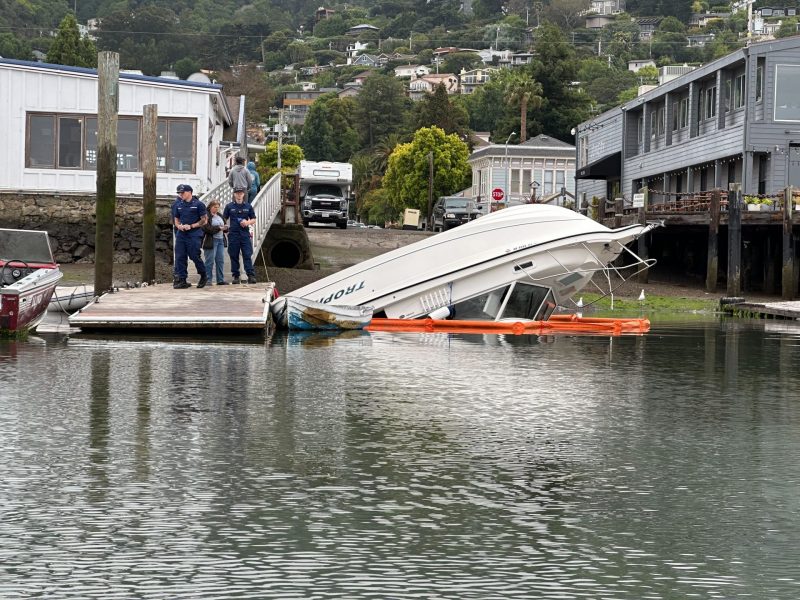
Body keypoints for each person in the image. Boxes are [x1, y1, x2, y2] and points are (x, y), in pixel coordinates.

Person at [172, 184, 208, 289]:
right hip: (182, 234)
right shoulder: (178, 204)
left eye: (182, 192)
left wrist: (191, 226)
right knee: (180, 256)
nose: (180, 194)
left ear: (190, 192)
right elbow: (176, 219)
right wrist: (179, 226)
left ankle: (203, 275)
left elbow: (204, 220)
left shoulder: (199, 204)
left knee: (194, 255)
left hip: (194, 234)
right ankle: (182, 280)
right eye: (179, 193)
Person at [223, 187, 257, 284]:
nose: (239, 195)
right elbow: (224, 218)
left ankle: (250, 275)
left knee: (247, 254)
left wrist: (247, 222)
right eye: (237, 193)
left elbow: (254, 219)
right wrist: (225, 227)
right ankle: (236, 276)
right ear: (234, 194)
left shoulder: (248, 206)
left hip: (244, 234)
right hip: (233, 234)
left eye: (240, 193)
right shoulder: (229, 206)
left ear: (243, 194)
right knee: (234, 255)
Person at [202, 199, 228, 285]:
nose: (216, 209)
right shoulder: (206, 216)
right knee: (209, 261)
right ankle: (208, 280)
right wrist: (219, 228)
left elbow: (224, 226)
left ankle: (220, 280)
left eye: (218, 207)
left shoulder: (220, 215)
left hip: (220, 240)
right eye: (214, 207)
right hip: (211, 240)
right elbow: (207, 229)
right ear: (210, 207)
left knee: (220, 261)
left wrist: (225, 228)